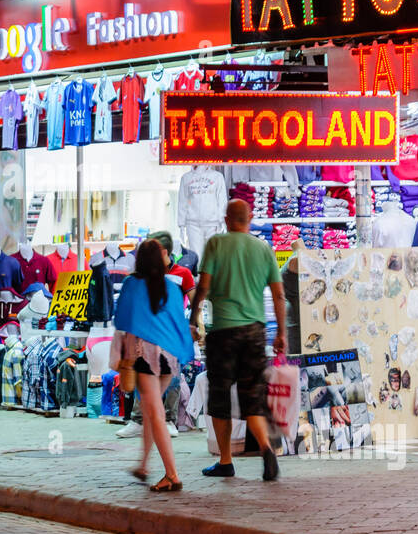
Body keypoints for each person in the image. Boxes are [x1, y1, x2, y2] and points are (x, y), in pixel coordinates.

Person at [190, 199, 287, 482]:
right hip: (255, 332)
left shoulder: (215, 244)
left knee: (220, 397)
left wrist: (193, 319)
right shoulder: (263, 248)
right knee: (252, 395)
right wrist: (281, 333)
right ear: (250, 218)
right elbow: (279, 295)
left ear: (226, 219)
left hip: (224, 332)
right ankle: (266, 449)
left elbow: (203, 287)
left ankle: (225, 460)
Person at [111, 238, 193, 492]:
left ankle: (172, 474)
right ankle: (144, 465)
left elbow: (122, 320)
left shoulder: (131, 285)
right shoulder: (170, 286)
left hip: (145, 356)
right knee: (150, 410)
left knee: (155, 413)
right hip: (169, 358)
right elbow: (179, 322)